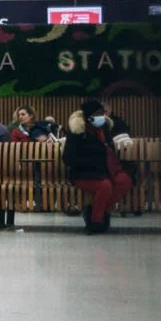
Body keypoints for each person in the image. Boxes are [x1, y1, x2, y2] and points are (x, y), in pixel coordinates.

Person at [63, 98, 133, 234]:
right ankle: (95, 222)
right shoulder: (77, 132)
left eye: (102, 113)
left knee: (124, 181)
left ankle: (104, 213)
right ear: (88, 117)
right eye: (97, 114)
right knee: (105, 186)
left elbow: (110, 150)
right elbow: (68, 158)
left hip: (107, 169)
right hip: (84, 172)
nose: (101, 117)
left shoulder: (104, 129)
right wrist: (92, 163)